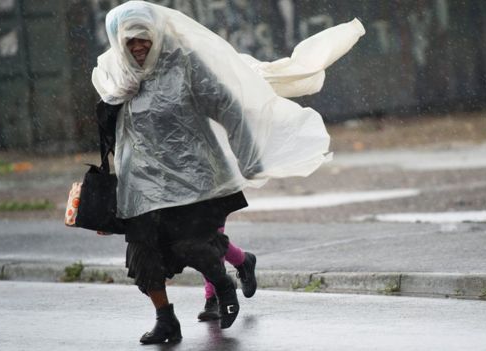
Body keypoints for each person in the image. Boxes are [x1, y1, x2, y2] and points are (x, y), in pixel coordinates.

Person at [92, 1, 364, 345]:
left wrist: (249, 157)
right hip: (142, 184)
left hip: (193, 176)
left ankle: (222, 284)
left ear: (157, 35)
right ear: (117, 42)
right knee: (142, 255)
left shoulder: (184, 64)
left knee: (193, 245)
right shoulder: (114, 75)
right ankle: (165, 320)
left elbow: (228, 107)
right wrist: (109, 195)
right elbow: (109, 132)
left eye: (143, 38)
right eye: (129, 41)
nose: (138, 46)